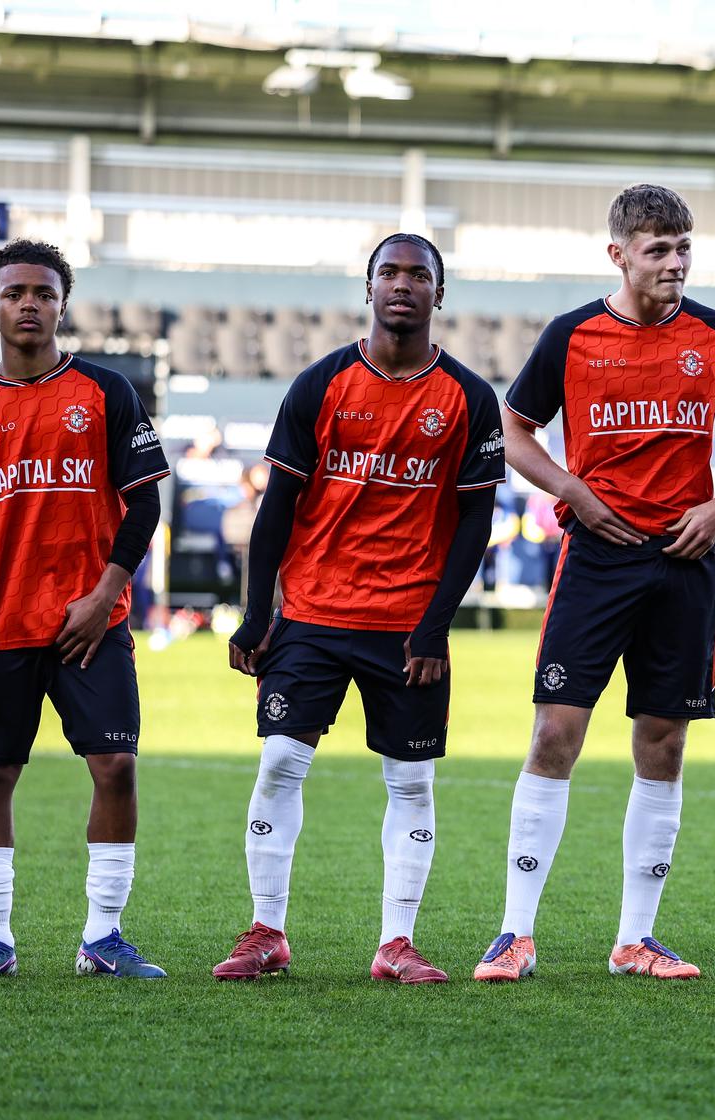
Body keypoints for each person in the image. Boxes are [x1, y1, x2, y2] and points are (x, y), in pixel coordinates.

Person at [212, 233, 503, 984]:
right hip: (311, 613)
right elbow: (276, 510)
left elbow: (475, 522)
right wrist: (255, 613)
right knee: (279, 761)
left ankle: (395, 944)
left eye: (419, 275)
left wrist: (436, 624)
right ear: (367, 288)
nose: (402, 285)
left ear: (441, 294)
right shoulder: (320, 383)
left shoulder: (468, 397)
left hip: (408, 627)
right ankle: (267, 931)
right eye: (389, 273)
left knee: (410, 782)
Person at [475, 184, 715, 983]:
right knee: (555, 734)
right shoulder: (572, 335)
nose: (675, 263)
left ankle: (636, 939)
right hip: (596, 558)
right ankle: (514, 933)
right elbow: (511, 430)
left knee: (663, 742)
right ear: (618, 254)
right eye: (657, 249)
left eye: (684, 246)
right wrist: (573, 491)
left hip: (683, 561)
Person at [0, 238, 170, 979]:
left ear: (61, 304)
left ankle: (103, 937)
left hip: (92, 623)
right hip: (3, 625)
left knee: (115, 766)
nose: (29, 304)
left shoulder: (107, 392)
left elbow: (143, 503)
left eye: (43, 294)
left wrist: (106, 593)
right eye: (15, 292)